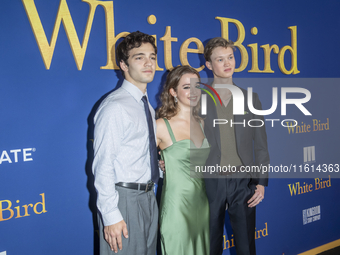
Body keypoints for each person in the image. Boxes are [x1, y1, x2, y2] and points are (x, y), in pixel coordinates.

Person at [92, 31, 159, 255]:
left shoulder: (147, 107)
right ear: (123, 64)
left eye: (152, 57)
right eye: (139, 57)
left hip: (149, 198)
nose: (148, 63)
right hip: (124, 201)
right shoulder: (114, 107)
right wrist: (110, 215)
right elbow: (103, 165)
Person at [203, 37, 269, 255]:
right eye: (219, 59)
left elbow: (260, 144)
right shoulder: (198, 99)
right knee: (210, 246)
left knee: (245, 246)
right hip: (210, 182)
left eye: (230, 57)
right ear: (209, 65)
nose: (227, 63)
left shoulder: (252, 98)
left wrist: (260, 182)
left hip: (243, 182)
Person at [156, 65, 210, 255]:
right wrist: (160, 165)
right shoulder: (161, 126)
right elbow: (139, 161)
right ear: (173, 92)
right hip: (176, 206)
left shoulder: (202, 123)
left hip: (203, 204)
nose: (194, 92)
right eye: (187, 87)